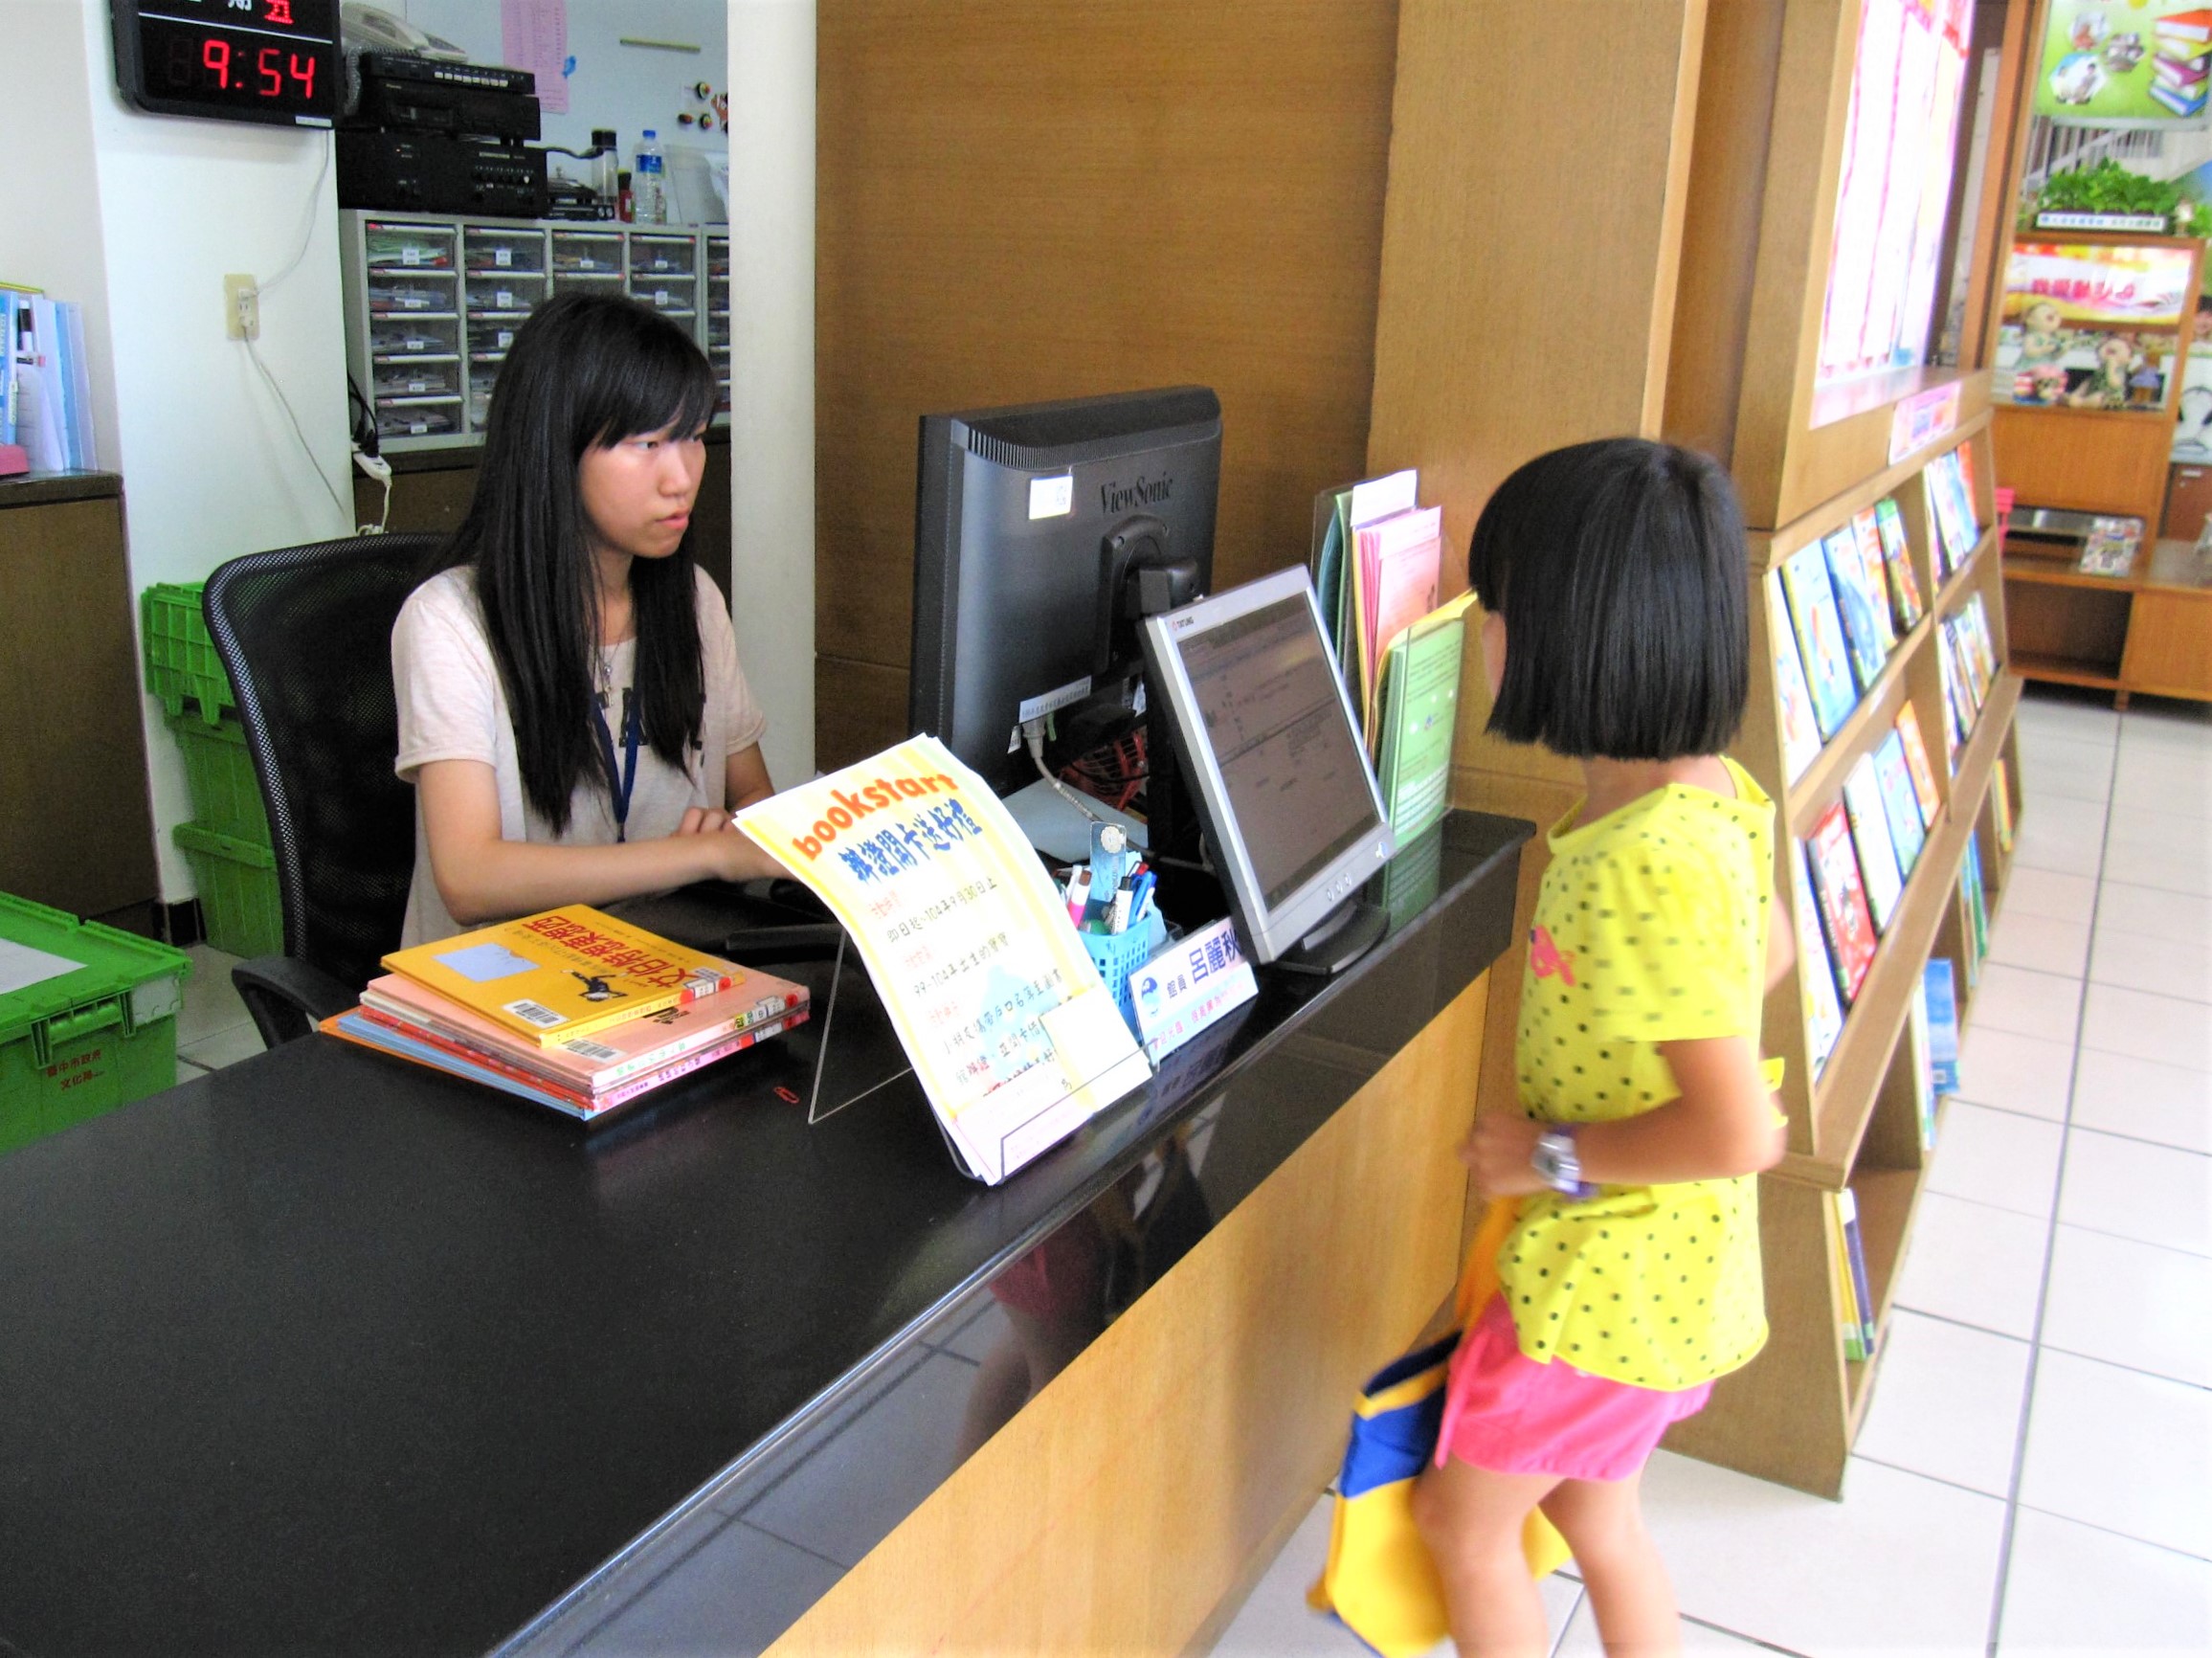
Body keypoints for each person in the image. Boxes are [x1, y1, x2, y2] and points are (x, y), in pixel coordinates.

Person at [1409, 438, 1791, 1657]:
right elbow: (1771, 949)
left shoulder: (1641, 865)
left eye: (1492, 605)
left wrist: (1548, 1155)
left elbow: (1739, 1130)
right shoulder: (1705, 793)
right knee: (1595, 1515)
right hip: (1672, 1277)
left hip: (1601, 1288)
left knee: (1463, 1529)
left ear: (1565, 638)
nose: (1479, 630)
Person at [392, 292, 784, 947]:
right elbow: (468, 878)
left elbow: (754, 804)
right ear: (555, 450)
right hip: (502, 978)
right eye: (647, 443)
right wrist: (700, 854)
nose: (681, 477)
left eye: (692, 437)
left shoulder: (694, 600)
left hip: (663, 956)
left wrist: (744, 835)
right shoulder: (449, 622)